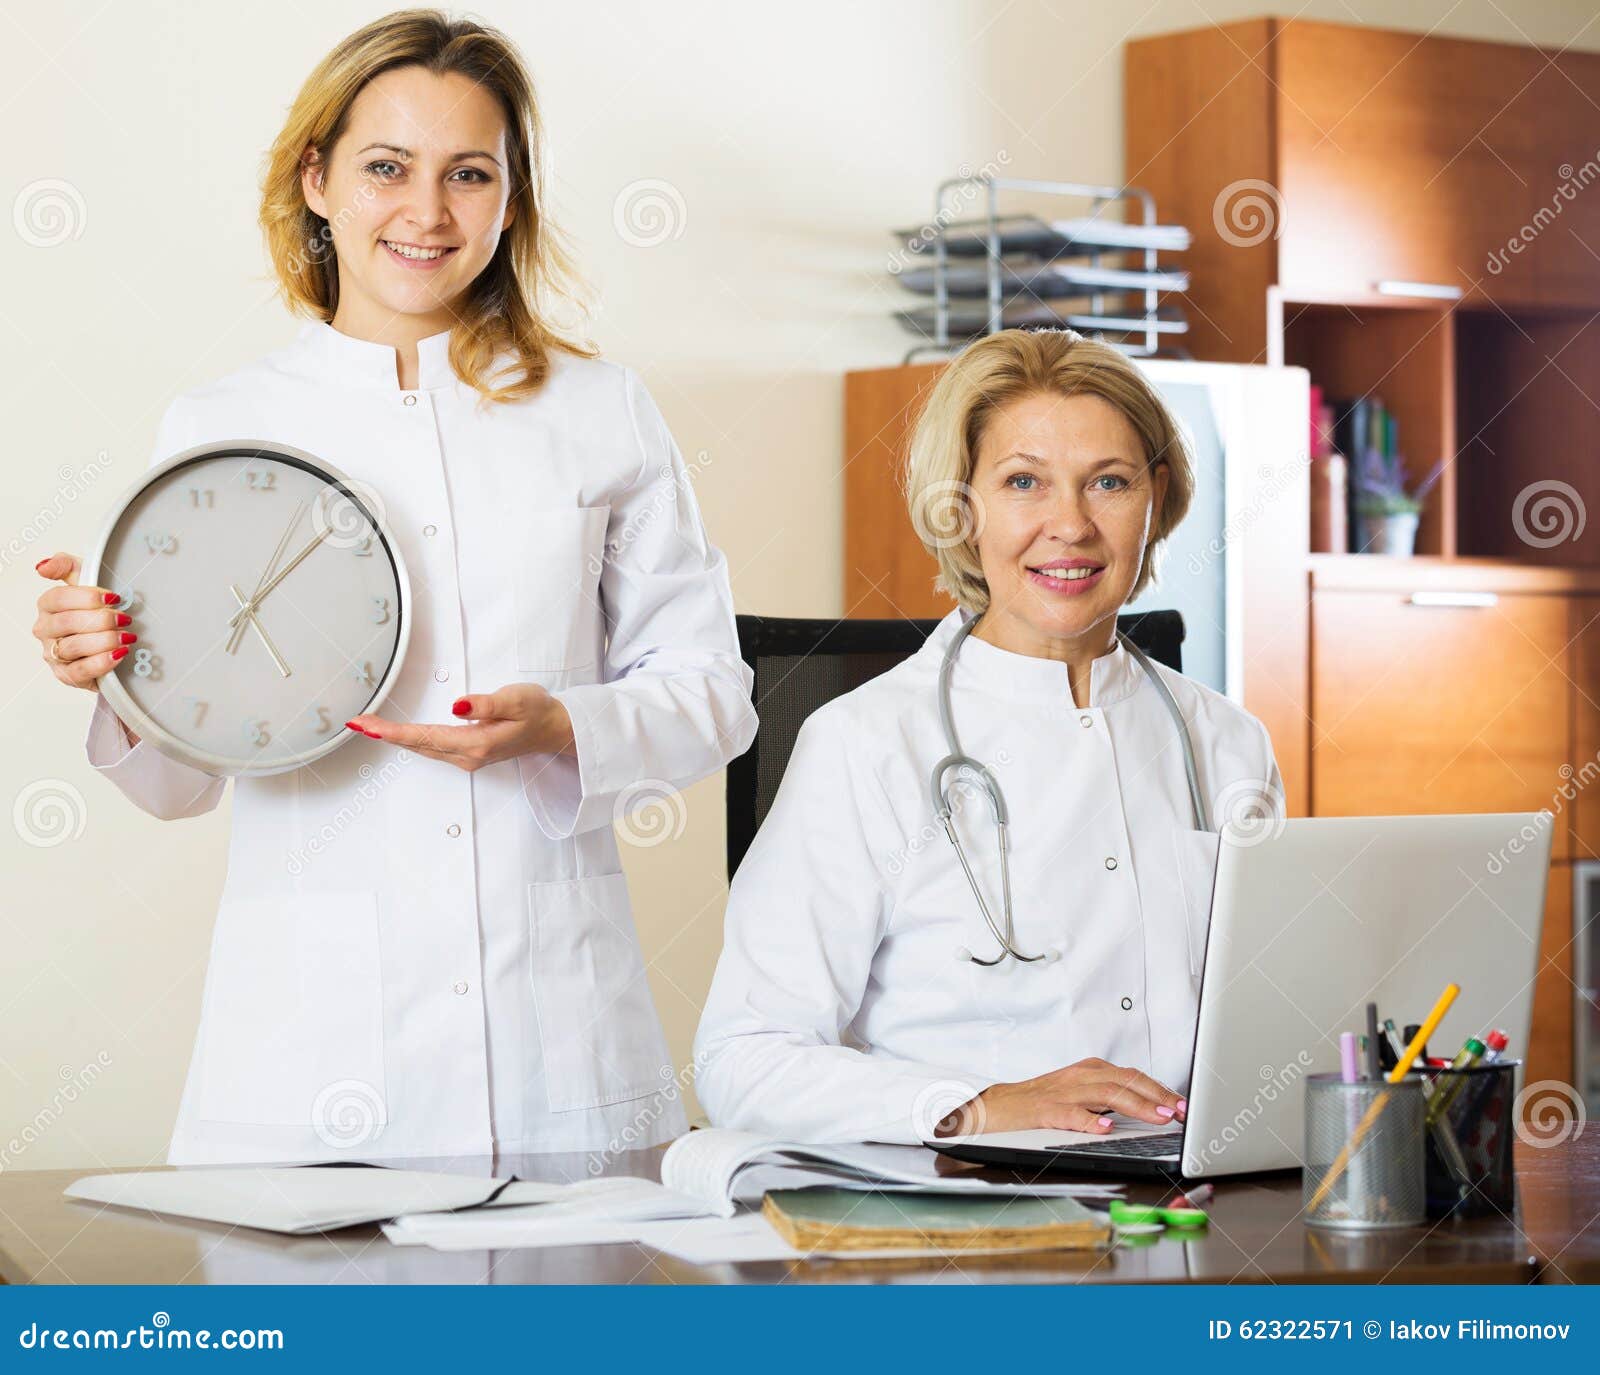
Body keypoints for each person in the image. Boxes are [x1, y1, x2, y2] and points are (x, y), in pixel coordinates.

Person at [31, 10, 754, 1165]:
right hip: (307, 1061)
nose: (427, 212)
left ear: (511, 198)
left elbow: (715, 691)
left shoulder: (597, 409)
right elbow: (177, 784)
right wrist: (113, 672)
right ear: (317, 179)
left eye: (469, 174)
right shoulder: (225, 428)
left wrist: (568, 723)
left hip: (556, 1049)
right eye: (386, 168)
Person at [694, 328, 1282, 1144]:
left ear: (1158, 496)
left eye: (1107, 482)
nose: (1069, 525)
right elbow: (743, 1058)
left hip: (1194, 1201)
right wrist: (976, 1104)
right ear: (961, 507)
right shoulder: (865, 744)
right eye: (1023, 482)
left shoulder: (1228, 745)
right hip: (970, 1205)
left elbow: (1279, 1012)